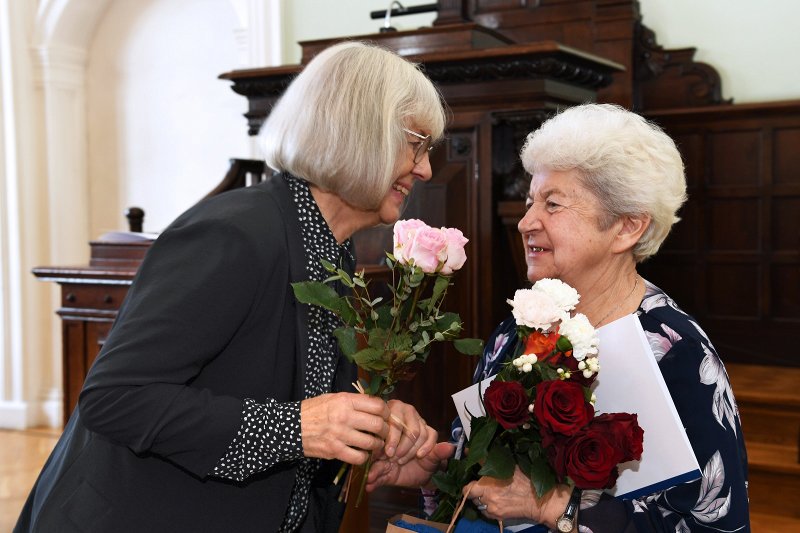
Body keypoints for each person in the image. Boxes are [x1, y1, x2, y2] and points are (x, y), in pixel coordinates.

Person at [15, 41, 446, 533]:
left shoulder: (334, 249)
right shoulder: (237, 235)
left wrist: (367, 435)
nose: (426, 168)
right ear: (359, 131)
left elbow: (284, 400)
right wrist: (299, 427)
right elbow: (115, 399)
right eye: (417, 143)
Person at [367, 103, 750, 532]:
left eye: (552, 204)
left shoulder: (676, 353)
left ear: (627, 227)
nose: (525, 221)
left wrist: (554, 507)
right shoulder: (519, 329)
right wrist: (433, 471)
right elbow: (485, 475)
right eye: (531, 201)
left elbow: (714, 522)